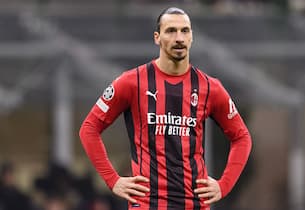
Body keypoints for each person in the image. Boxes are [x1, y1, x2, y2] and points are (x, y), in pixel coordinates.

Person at [79, 7, 252, 210]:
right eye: (171, 31)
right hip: (147, 204)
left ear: (191, 37)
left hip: (194, 204)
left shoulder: (209, 87)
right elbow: (89, 128)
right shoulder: (131, 82)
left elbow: (242, 137)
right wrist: (113, 180)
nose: (179, 37)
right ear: (157, 37)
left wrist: (224, 185)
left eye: (185, 31)